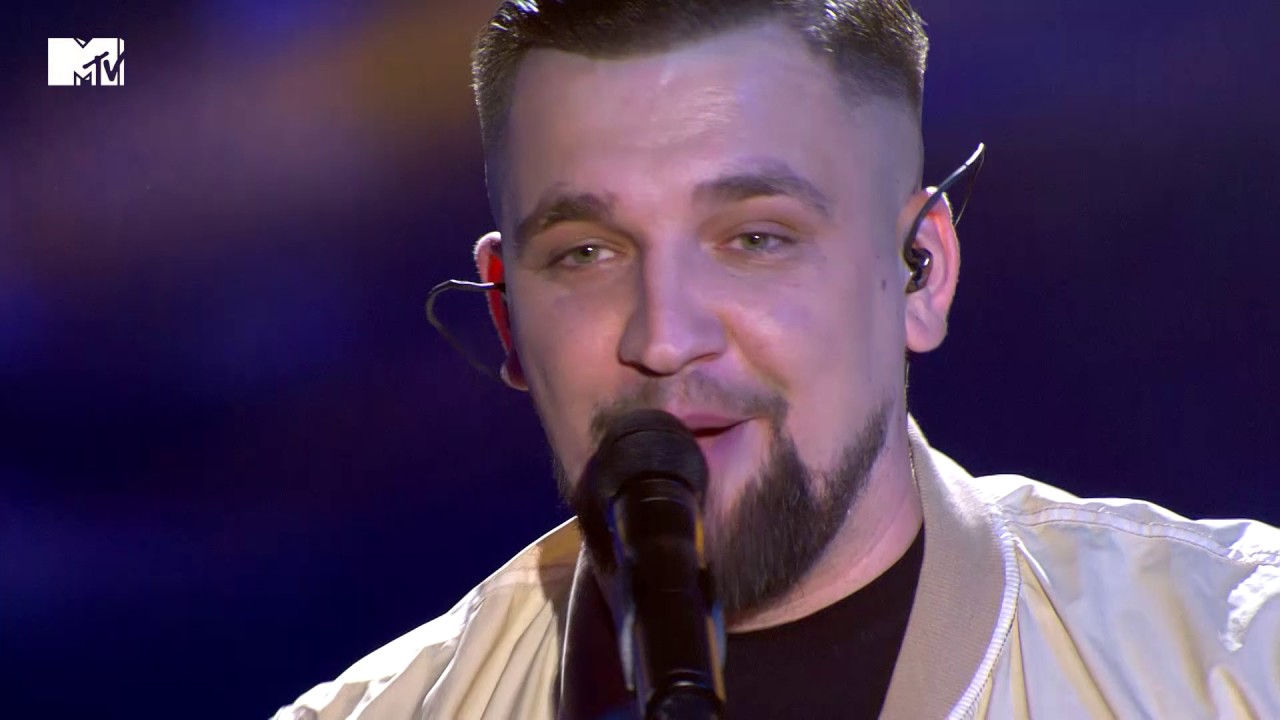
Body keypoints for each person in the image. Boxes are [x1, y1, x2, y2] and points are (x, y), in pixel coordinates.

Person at [274, 1, 1280, 717]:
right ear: (504, 316)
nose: (664, 338)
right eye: (585, 254)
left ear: (919, 273)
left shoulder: (1242, 664)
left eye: (756, 238)